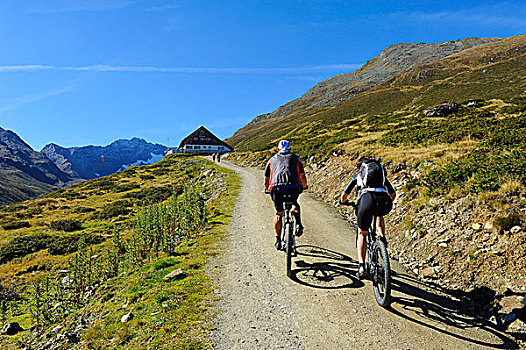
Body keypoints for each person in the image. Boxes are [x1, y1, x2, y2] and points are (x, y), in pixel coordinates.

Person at [340, 156, 396, 279]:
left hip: (366, 201)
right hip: (384, 201)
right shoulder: (381, 178)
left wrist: (344, 202)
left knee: (362, 234)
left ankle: (361, 266)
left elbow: (343, 196)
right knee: (379, 214)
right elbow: (393, 194)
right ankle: (382, 238)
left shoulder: (357, 176)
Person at [264, 140, 308, 250]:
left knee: (279, 214)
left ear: (278, 149)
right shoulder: (295, 158)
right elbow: (302, 175)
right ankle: (298, 223)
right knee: (294, 204)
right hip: (293, 187)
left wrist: (266, 189)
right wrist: (304, 186)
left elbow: (266, 179)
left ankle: (278, 240)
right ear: (290, 149)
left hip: (276, 188)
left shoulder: (271, 160)